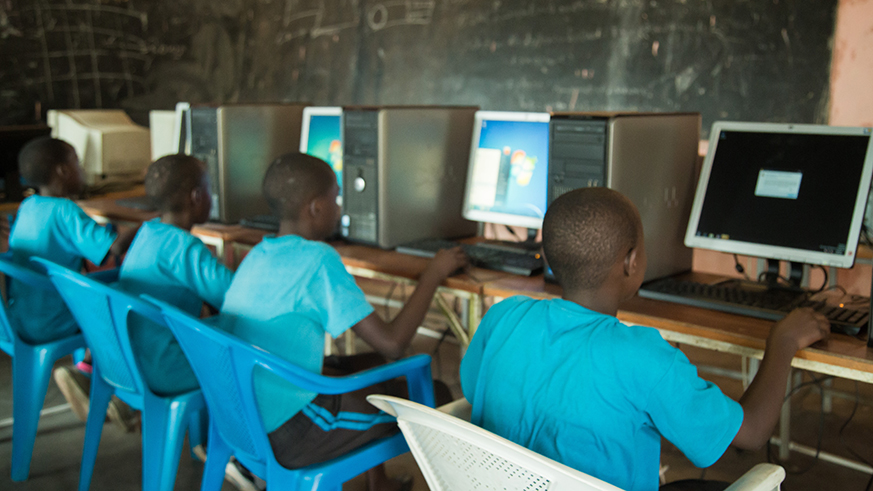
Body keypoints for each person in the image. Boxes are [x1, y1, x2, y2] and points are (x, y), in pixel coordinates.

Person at [460, 187, 830, 491]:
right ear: (631, 261)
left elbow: (478, 394)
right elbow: (750, 434)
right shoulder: (644, 356)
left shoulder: (503, 317)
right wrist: (783, 342)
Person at [220, 152, 467, 491]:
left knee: (371, 366)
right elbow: (394, 343)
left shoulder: (258, 254)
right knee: (433, 392)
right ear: (315, 208)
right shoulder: (318, 259)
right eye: (335, 198)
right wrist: (433, 274)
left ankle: (378, 483)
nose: (339, 207)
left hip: (239, 414)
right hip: (288, 430)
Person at [9, 137, 138, 429]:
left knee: (106, 293)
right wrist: (148, 221)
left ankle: (87, 370)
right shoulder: (64, 211)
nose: (81, 169)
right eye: (77, 162)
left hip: (23, 316)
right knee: (124, 303)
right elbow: (112, 250)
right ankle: (119, 395)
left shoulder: (28, 206)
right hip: (55, 318)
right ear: (62, 172)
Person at [116, 154, 233, 396]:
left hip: (133, 361)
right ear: (197, 197)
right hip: (168, 367)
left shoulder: (148, 232)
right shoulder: (183, 247)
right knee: (251, 351)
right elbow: (235, 297)